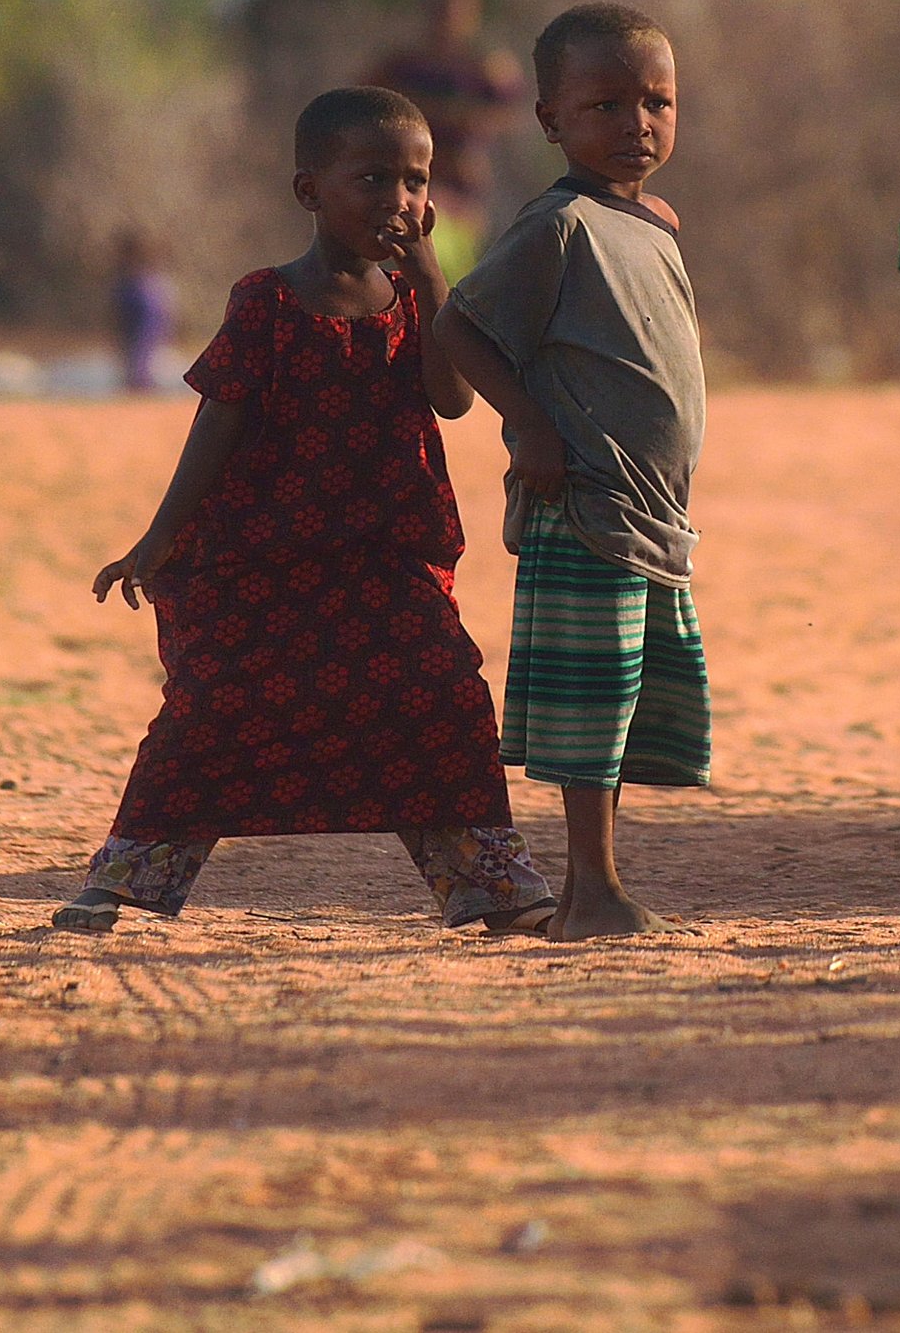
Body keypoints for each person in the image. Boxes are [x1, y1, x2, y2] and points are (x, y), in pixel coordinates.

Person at [53, 87, 558, 937]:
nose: (398, 201)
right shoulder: (266, 302)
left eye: (416, 181)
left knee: (439, 697)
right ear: (309, 192)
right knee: (214, 710)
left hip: (387, 554)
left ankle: (491, 885)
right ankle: (128, 877)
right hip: (265, 558)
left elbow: (453, 399)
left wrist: (433, 279)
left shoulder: (416, 304)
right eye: (371, 178)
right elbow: (220, 419)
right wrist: (160, 534)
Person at [435, 4, 710, 940]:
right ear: (551, 120)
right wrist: (531, 424)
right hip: (586, 502)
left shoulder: (655, 222)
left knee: (623, 701)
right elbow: (460, 327)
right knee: (590, 708)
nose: (637, 123)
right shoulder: (558, 226)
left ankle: (601, 882)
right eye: (605, 104)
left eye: (657, 102)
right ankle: (589, 887)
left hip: (647, 511)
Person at [366, 0, 527, 286]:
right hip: (415, 178)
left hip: (462, 180)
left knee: (462, 268)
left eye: (456, 12)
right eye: (441, 11)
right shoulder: (402, 67)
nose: (448, 20)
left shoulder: (485, 67)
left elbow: (510, 112)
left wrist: (470, 120)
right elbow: (364, 103)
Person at [110, 228, 177, 393]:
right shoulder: (132, 284)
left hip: (146, 320)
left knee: (141, 361)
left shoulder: (146, 287)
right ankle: (138, 386)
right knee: (136, 362)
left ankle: (140, 386)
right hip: (140, 319)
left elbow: (155, 320)